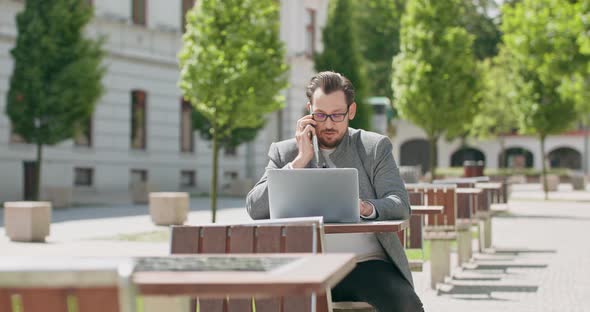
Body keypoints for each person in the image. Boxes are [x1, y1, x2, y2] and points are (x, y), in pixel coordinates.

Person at [246, 71, 424, 311]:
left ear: (351, 111)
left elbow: (400, 203)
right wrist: (299, 162)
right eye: (320, 115)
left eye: (337, 115)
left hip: (365, 265)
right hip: (305, 266)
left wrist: (366, 207)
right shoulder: (285, 153)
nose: (328, 123)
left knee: (407, 305)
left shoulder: (373, 148)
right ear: (309, 111)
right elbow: (255, 208)